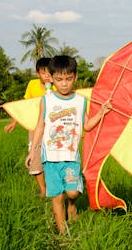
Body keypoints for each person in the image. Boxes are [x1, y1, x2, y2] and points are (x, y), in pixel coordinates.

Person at [25, 55, 111, 235]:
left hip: (71, 157)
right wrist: (33, 151)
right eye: (59, 79)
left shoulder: (80, 101)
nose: (64, 84)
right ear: (52, 78)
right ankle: (63, 234)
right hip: (50, 158)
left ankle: (72, 205)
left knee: (72, 193)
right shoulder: (47, 100)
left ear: (75, 77)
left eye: (68, 79)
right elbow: (40, 126)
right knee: (57, 196)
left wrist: (101, 112)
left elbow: (86, 126)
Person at [4, 57, 54, 197]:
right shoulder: (32, 85)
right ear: (38, 74)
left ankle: (53, 187)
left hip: (53, 129)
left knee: (53, 158)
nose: (48, 75)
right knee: (35, 158)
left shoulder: (57, 86)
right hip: (34, 127)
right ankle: (43, 189)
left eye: (50, 72)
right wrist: (14, 122)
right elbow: (25, 106)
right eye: (44, 73)